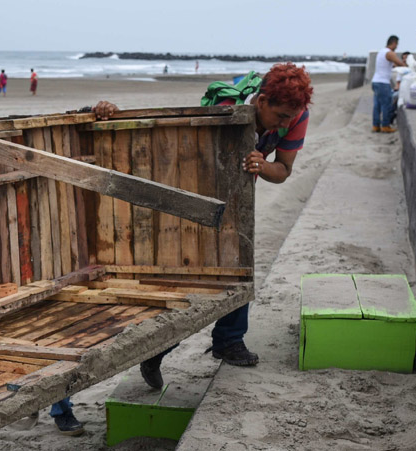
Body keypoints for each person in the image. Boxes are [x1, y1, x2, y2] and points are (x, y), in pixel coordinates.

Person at [93, 62, 314, 386]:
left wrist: (262, 166)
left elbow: (283, 168)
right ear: (261, 101)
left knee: (238, 263)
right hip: (194, 190)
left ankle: (228, 340)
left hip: (237, 196)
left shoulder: (297, 115)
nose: (286, 122)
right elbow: (167, 136)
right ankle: (157, 352)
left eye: (291, 117)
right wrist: (109, 110)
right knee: (195, 278)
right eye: (281, 116)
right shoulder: (226, 107)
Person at [372, 36, 406, 133]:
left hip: (375, 81)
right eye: (397, 44)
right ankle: (385, 126)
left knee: (377, 105)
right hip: (383, 82)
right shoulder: (389, 53)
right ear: (394, 43)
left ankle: (376, 125)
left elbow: (391, 65)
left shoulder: (381, 52)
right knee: (386, 104)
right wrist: (408, 66)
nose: (397, 47)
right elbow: (399, 63)